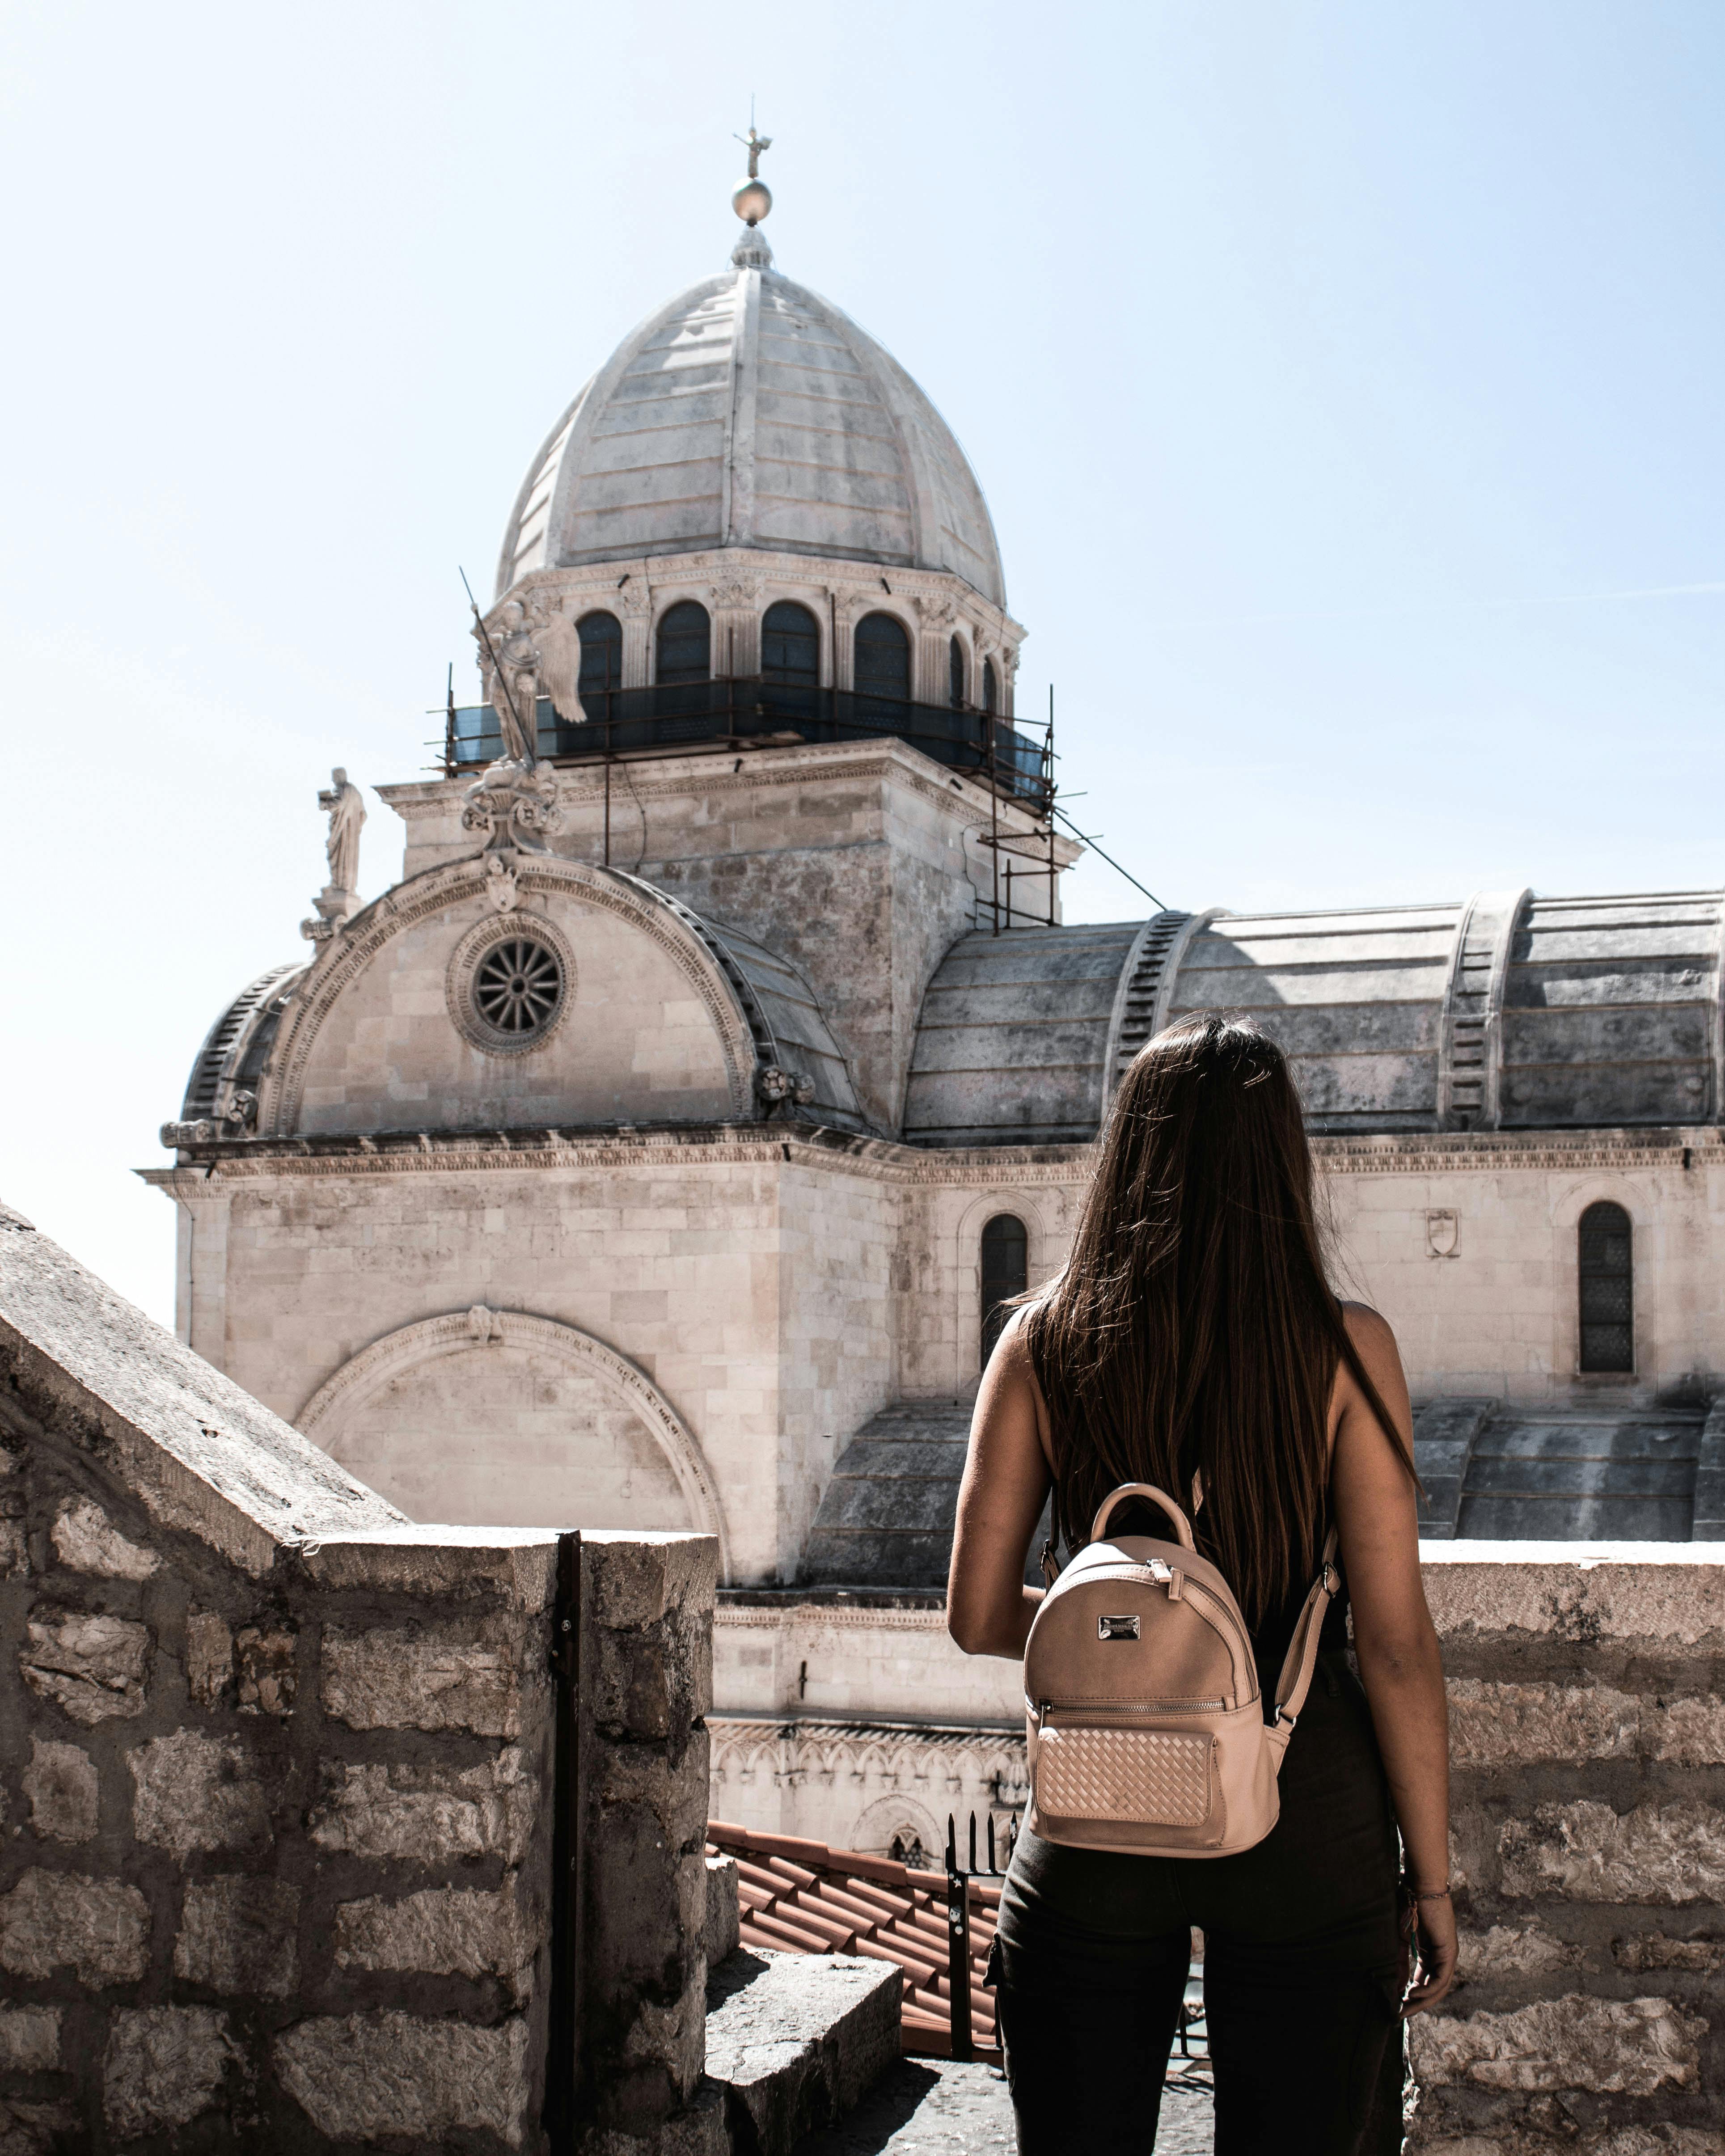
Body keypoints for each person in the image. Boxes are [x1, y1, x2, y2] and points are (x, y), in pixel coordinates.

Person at [947, 1015, 1455, 2156]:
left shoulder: (1042, 1341)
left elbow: (979, 1615)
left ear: (1129, 1150)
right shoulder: (1345, 1347)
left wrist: (1147, 1652)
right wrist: (1433, 1879)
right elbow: (1394, 1646)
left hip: (1099, 1810)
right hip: (1306, 1808)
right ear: (1284, 1160)